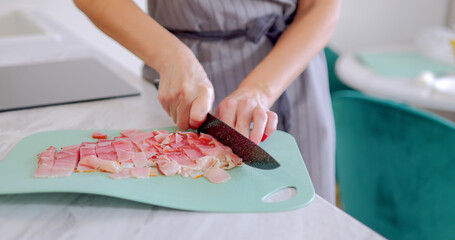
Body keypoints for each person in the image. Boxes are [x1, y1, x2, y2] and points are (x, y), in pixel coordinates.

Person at [74, 0, 340, 203]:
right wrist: (169, 56)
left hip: (286, 71)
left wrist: (259, 90)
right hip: (176, 82)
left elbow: (321, 6)